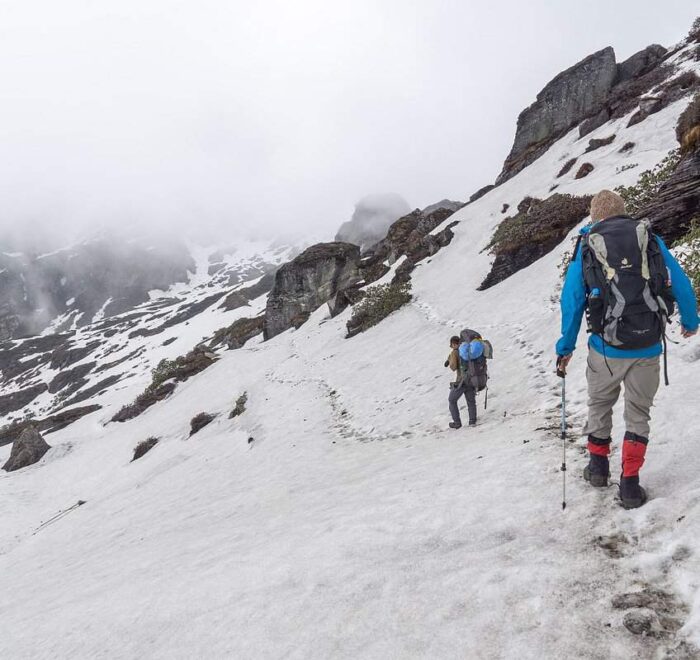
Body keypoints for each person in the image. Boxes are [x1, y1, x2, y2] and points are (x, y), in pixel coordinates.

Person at [556, 189, 698, 508]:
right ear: (623, 211)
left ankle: (597, 468)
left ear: (595, 217)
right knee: (638, 414)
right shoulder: (649, 238)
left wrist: (565, 347)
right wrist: (690, 321)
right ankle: (631, 485)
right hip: (647, 346)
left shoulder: (587, 245)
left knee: (599, 405)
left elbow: (573, 301)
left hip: (605, 349)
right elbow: (681, 283)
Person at [446, 334, 479, 429]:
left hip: (461, 381)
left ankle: (457, 422)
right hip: (472, 379)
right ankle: (472, 420)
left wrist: (451, 360)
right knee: (471, 401)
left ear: (454, 344)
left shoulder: (455, 352)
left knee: (452, 400)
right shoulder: (468, 350)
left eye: (451, 345)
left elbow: (453, 367)